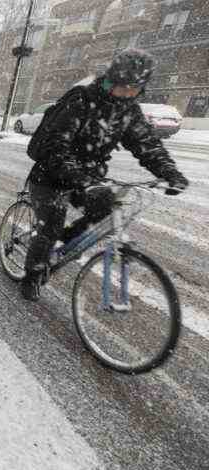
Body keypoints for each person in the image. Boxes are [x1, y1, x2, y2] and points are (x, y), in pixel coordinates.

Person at [21, 48, 189, 301]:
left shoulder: (128, 111)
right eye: (122, 87)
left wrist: (169, 172)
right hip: (50, 175)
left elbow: (147, 144)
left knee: (106, 208)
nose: (126, 95)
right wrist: (82, 180)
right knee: (50, 227)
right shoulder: (81, 100)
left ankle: (63, 243)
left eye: (134, 90)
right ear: (110, 80)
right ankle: (32, 275)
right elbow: (56, 147)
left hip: (88, 176)